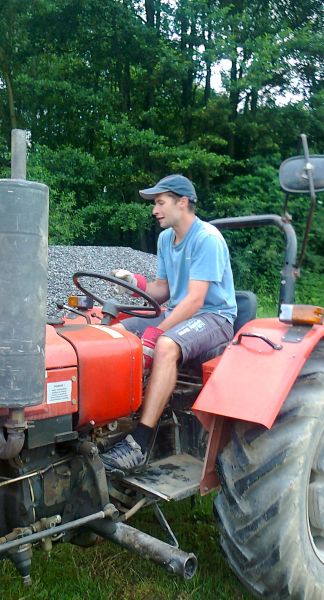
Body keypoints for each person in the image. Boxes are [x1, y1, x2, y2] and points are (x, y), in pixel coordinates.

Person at [101, 174, 237, 473]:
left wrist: (157, 331)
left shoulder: (207, 239)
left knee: (164, 345)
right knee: (114, 335)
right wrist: (133, 282)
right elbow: (163, 290)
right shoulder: (166, 239)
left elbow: (195, 300)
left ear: (182, 202)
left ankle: (139, 443)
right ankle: (107, 420)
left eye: (160, 203)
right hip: (178, 311)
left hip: (214, 316)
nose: (155, 210)